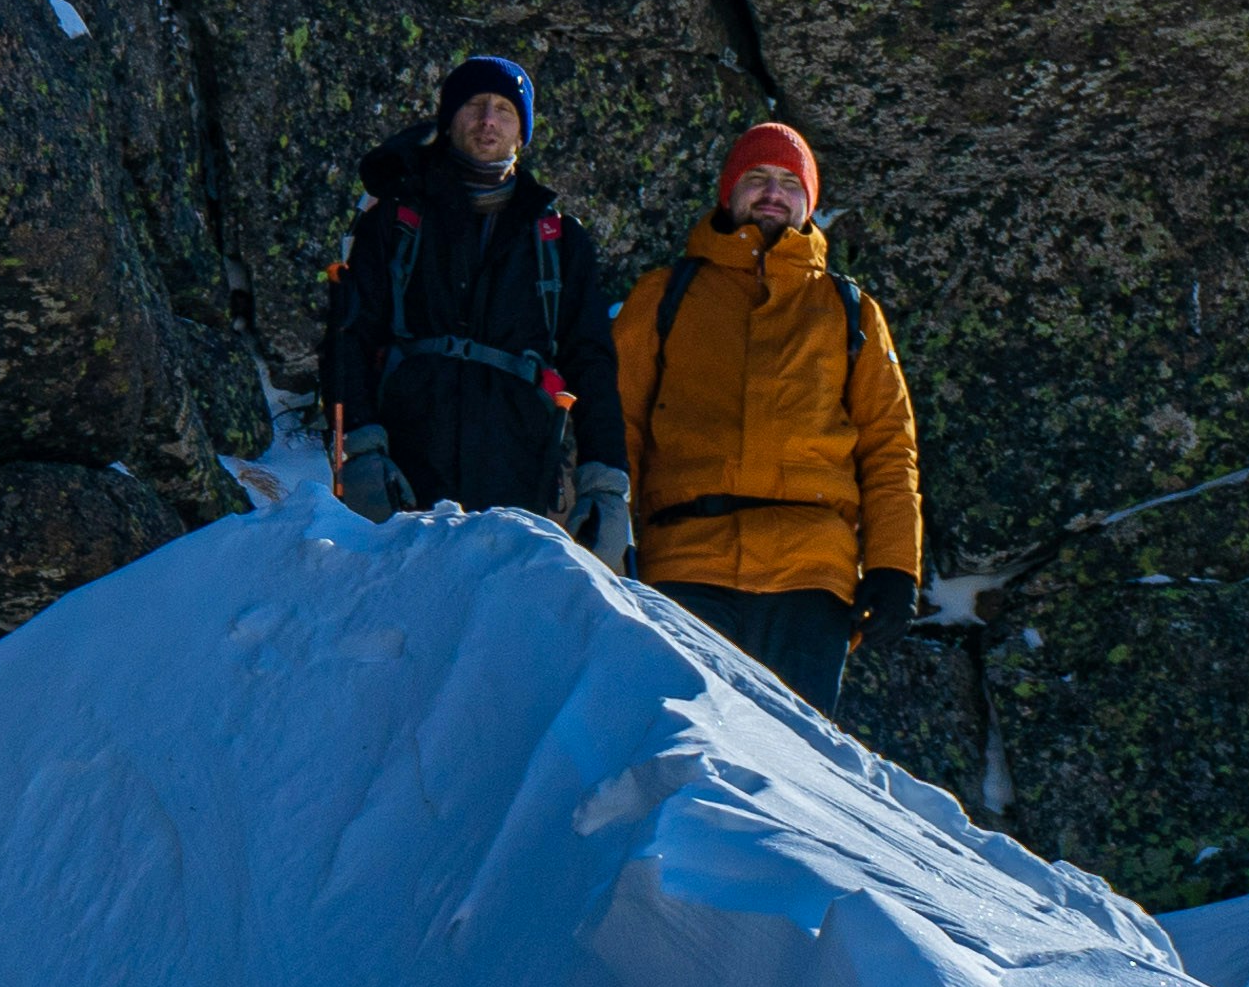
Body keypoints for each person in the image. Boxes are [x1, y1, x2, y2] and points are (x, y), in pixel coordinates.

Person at [607, 118, 924, 712]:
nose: (772, 192)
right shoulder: (662, 296)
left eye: (789, 181)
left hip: (811, 579)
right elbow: (616, 426)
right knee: (678, 759)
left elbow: (888, 447)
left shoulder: (849, 311)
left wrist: (892, 567)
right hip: (683, 561)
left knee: (792, 780)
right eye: (756, 177)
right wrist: (610, 538)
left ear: (810, 203)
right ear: (729, 192)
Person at [319, 56, 631, 562]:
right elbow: (349, 339)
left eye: (505, 110)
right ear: (449, 118)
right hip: (405, 469)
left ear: (521, 133)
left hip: (521, 474)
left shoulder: (559, 240)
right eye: (475, 105)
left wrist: (605, 483)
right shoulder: (397, 222)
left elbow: (591, 362)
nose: (489, 120)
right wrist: (360, 450)